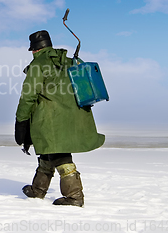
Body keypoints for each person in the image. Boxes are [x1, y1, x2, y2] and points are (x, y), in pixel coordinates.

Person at [15, 30, 105, 207]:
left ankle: (74, 196)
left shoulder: (38, 64)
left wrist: (21, 121)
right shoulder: (69, 61)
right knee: (49, 151)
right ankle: (38, 189)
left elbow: (28, 96)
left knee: (61, 157)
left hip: (50, 118)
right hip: (74, 116)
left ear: (34, 50)